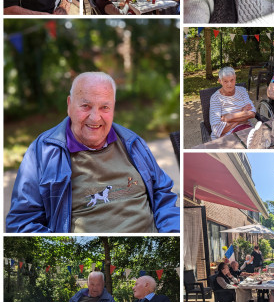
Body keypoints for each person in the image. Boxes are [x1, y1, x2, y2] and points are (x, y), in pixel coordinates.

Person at [6, 72, 180, 233]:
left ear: (113, 108)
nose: (95, 117)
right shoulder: (42, 152)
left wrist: (172, 233)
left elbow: (162, 195)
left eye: (105, 107)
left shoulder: (133, 143)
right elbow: (22, 222)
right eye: (86, 106)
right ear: (69, 105)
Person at [209, 67, 256, 140]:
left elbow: (252, 113)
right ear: (220, 81)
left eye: (232, 80)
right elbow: (217, 130)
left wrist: (230, 117)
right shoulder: (216, 98)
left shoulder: (242, 91)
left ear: (235, 78)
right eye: (225, 81)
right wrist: (243, 113)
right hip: (227, 137)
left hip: (246, 131)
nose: (229, 84)